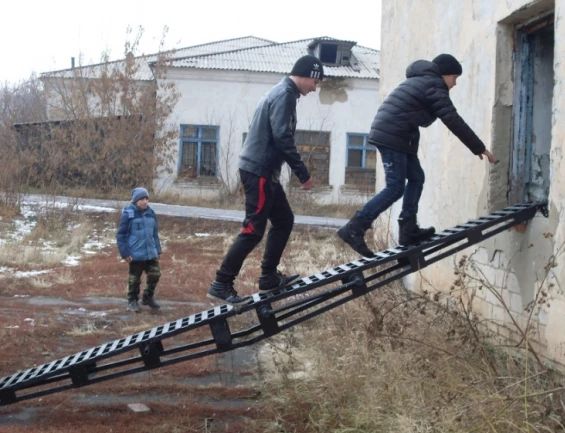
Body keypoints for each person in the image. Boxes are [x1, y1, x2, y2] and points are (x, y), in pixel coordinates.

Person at [337, 53, 495, 258]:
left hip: (398, 136)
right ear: (445, 74)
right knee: (395, 187)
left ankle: (408, 228)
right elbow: (452, 119)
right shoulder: (434, 84)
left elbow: (422, 116)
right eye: (455, 78)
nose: (454, 84)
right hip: (394, 136)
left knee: (417, 177)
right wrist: (478, 147)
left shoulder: (421, 81)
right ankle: (355, 227)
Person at [207, 55, 322, 305]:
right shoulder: (284, 94)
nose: (315, 88)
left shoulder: (284, 93)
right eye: (315, 81)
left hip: (265, 171)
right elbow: (282, 137)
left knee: (284, 219)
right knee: (252, 230)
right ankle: (221, 283)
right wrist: (302, 173)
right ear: (304, 74)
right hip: (258, 171)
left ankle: (268, 278)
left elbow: (278, 135)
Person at [116, 187, 162, 312]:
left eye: (146, 199)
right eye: (142, 199)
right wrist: (125, 253)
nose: (145, 201)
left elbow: (155, 234)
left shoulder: (151, 213)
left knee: (155, 274)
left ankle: (147, 297)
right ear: (136, 200)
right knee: (134, 280)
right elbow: (121, 235)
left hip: (150, 252)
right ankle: (132, 301)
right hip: (135, 254)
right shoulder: (128, 214)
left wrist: (158, 250)